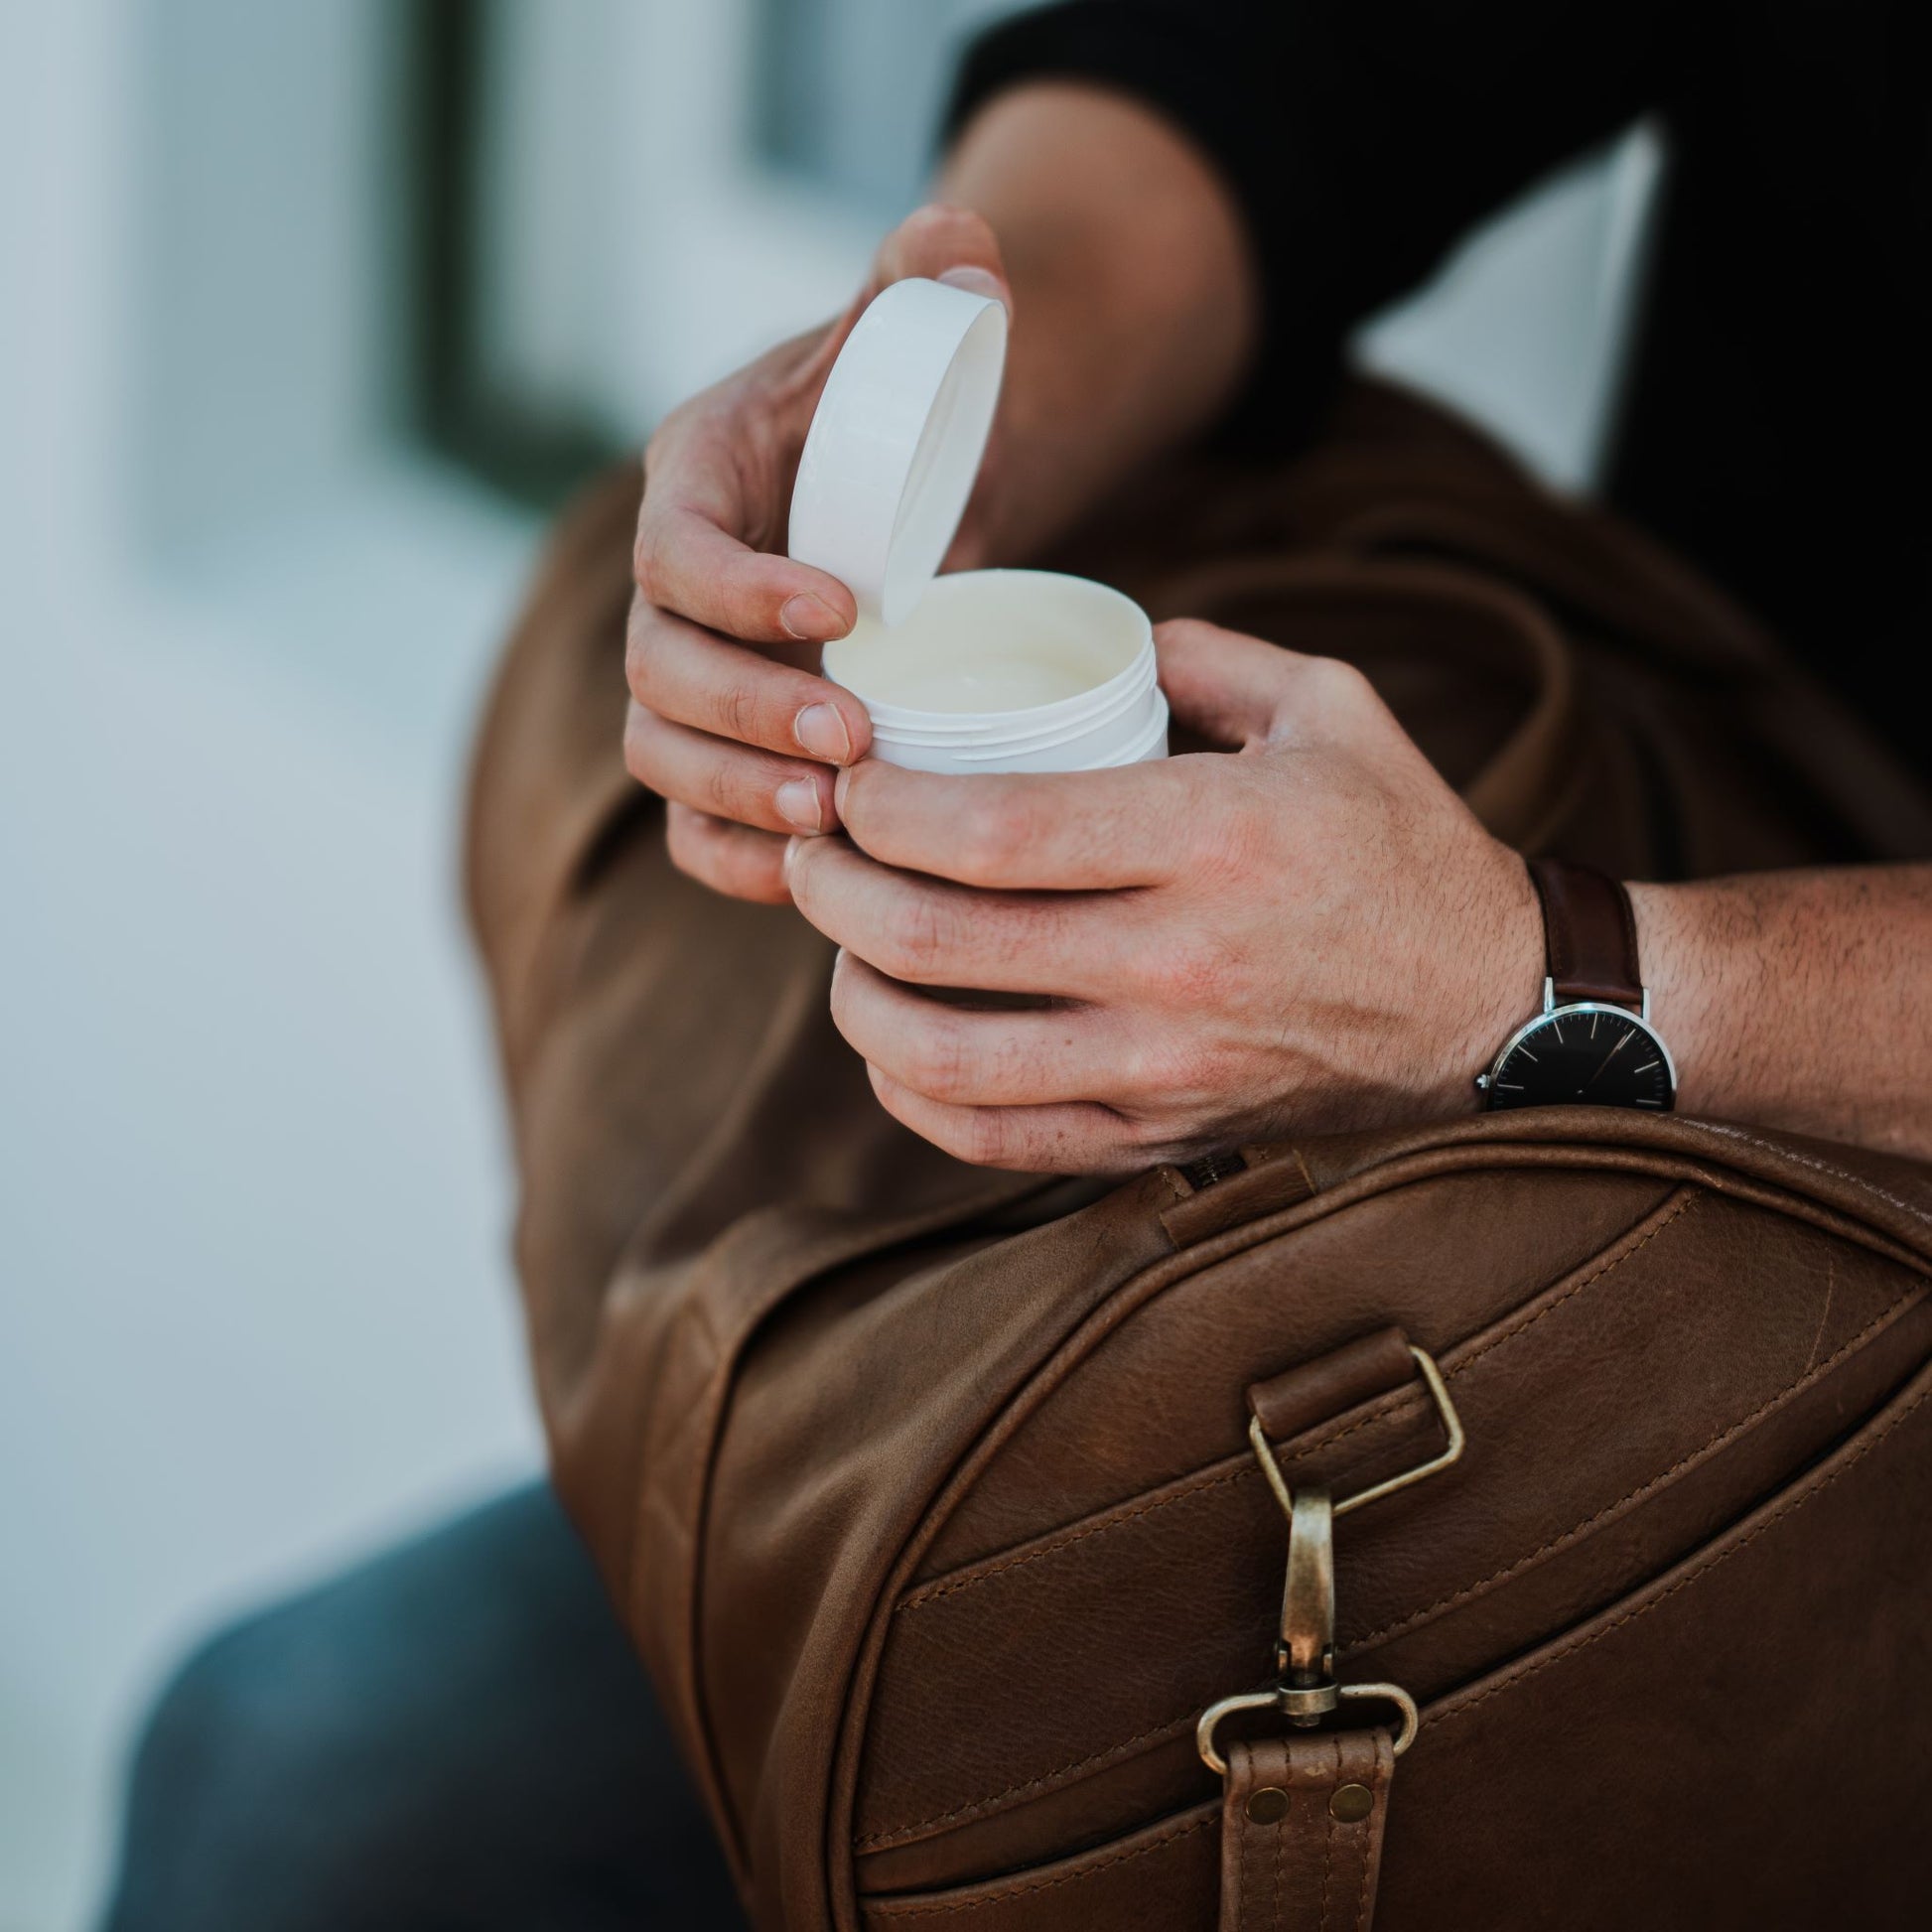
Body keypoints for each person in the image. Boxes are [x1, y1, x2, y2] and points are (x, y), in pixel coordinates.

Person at [101, 4, 1929, 1924]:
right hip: (1666, 883)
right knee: (296, 1792)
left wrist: (1549, 990)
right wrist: (950, 422)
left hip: (1742, 1260)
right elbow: (1314, 69)